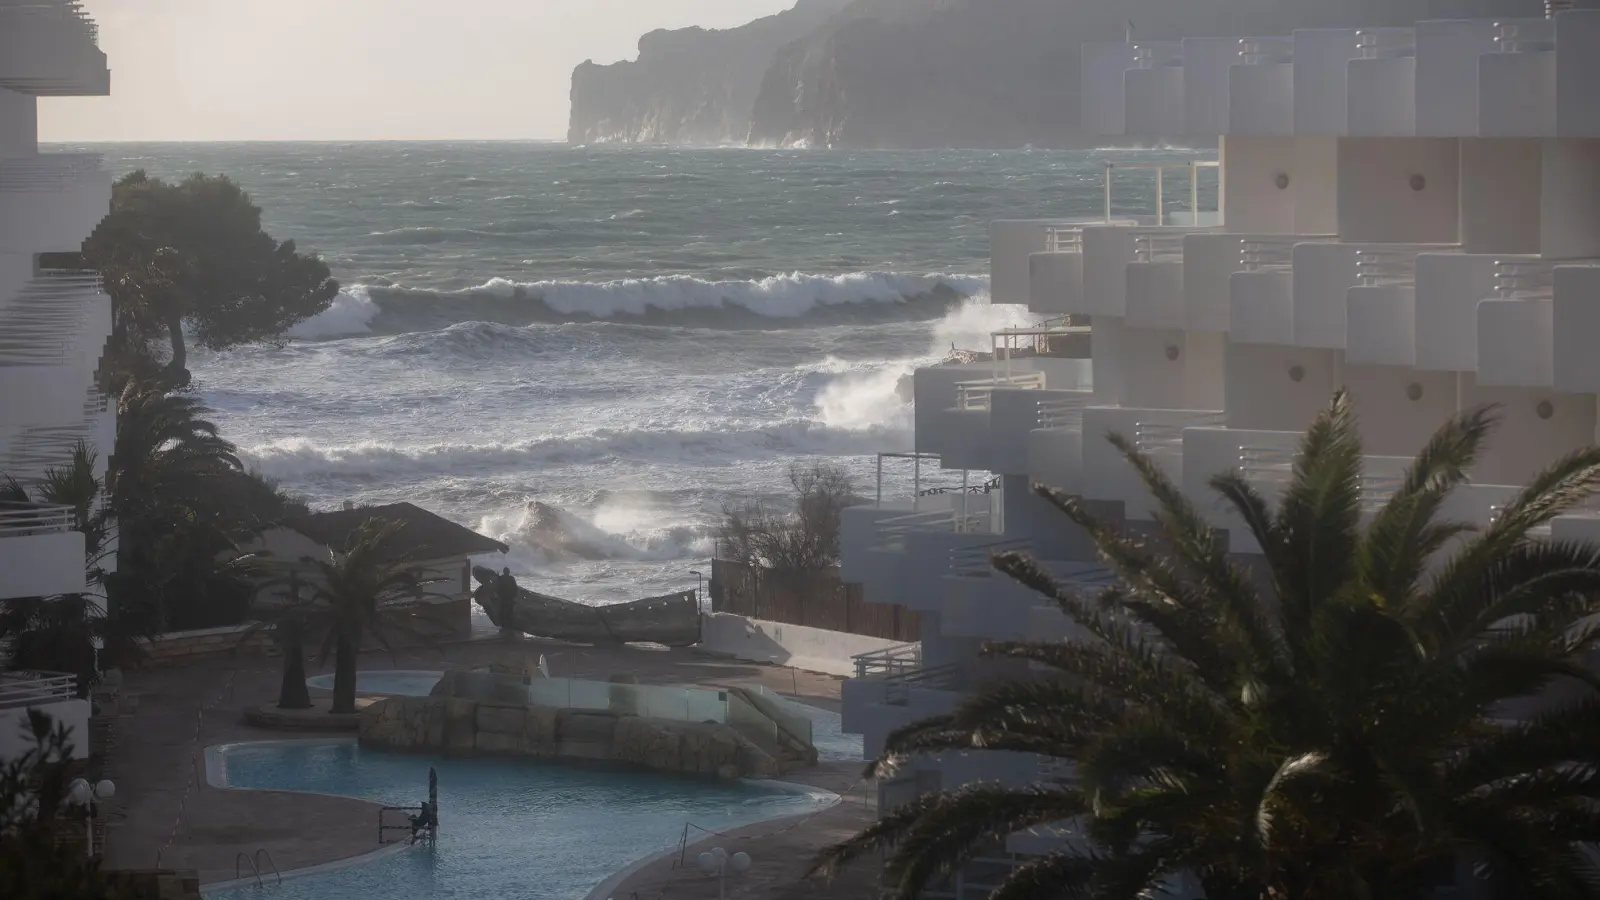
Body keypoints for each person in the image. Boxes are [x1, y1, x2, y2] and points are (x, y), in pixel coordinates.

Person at [494, 567, 519, 639]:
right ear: (508, 572)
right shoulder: (511, 578)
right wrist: (514, 596)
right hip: (509, 598)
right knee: (509, 613)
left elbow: (497, 587)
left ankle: (504, 626)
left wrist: (498, 595)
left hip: (504, 598)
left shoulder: (501, 578)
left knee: (502, 612)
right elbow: (515, 589)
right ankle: (509, 626)